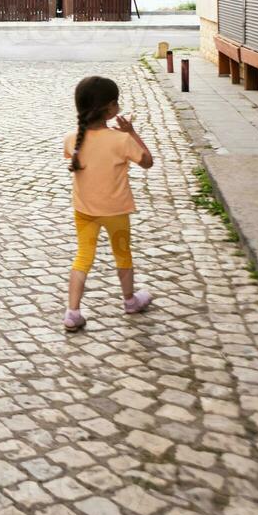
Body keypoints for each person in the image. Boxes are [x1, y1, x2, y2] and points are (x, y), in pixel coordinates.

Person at [62, 75, 155, 332]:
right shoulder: (120, 140)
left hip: (84, 211)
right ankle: (129, 301)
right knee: (122, 254)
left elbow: (74, 155)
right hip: (116, 211)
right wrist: (131, 132)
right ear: (111, 107)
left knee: (83, 257)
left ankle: (72, 312)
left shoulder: (71, 138)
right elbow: (147, 161)